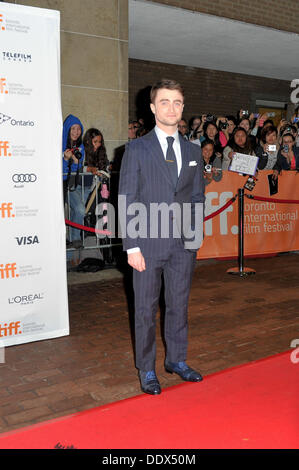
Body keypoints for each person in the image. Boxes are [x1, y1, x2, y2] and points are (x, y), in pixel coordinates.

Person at [118, 79, 205, 395]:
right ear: (153, 107)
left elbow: (196, 197)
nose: (172, 108)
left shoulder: (194, 150)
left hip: (183, 245)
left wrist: (194, 237)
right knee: (144, 309)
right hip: (147, 243)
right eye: (165, 102)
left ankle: (177, 361)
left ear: (183, 108)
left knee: (178, 306)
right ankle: (147, 369)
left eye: (178, 102)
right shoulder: (136, 149)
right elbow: (127, 198)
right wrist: (132, 245)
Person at [62, 114, 85, 248]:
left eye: (78, 129)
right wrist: (65, 159)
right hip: (58, 186)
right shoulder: (58, 144)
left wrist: (76, 162)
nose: (76, 132)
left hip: (71, 185)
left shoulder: (80, 147)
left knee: (80, 209)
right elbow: (57, 168)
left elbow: (78, 169)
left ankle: (75, 238)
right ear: (67, 130)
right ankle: (61, 239)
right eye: (73, 129)